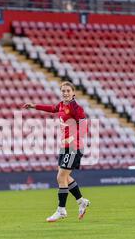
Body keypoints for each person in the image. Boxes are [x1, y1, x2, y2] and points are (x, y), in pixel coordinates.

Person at [22, 81, 91, 222]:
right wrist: (35, 106)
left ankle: (61, 210)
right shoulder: (61, 105)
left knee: (61, 177)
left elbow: (84, 129)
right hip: (65, 146)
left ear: (73, 93)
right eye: (63, 90)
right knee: (65, 177)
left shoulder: (76, 108)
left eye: (67, 91)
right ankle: (81, 201)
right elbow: (52, 108)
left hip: (74, 146)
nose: (65, 93)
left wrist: (71, 138)